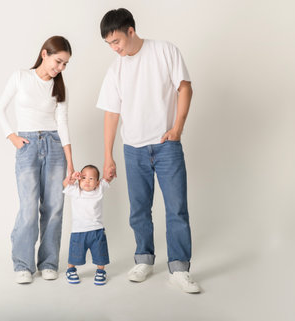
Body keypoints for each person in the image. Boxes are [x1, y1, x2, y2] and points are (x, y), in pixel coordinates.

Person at [96, 8, 201, 293]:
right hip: (133, 149)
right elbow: (111, 113)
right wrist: (108, 155)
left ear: (131, 31)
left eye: (116, 41)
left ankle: (179, 269)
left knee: (176, 208)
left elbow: (184, 87)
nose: (114, 48)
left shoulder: (164, 50)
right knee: (139, 210)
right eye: (109, 44)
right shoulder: (115, 68)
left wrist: (177, 128)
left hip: (167, 145)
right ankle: (144, 259)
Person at [0, 36, 75, 284]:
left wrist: (70, 162)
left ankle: (49, 262)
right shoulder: (21, 76)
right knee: (29, 208)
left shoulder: (59, 87)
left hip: (54, 146)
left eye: (65, 64)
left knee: (54, 208)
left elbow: (62, 123)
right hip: (28, 145)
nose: (60, 68)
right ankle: (23, 263)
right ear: (44, 54)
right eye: (58, 61)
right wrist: (12, 136)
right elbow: (0, 108)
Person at [62, 165, 112, 285]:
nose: (87, 182)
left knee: (100, 253)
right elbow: (65, 184)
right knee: (75, 253)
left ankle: (100, 271)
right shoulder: (75, 191)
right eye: (84, 178)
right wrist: (72, 177)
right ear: (79, 180)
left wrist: (110, 172)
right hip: (78, 231)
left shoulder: (99, 189)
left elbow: (108, 178)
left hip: (97, 230)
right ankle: (71, 269)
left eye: (91, 179)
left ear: (97, 182)